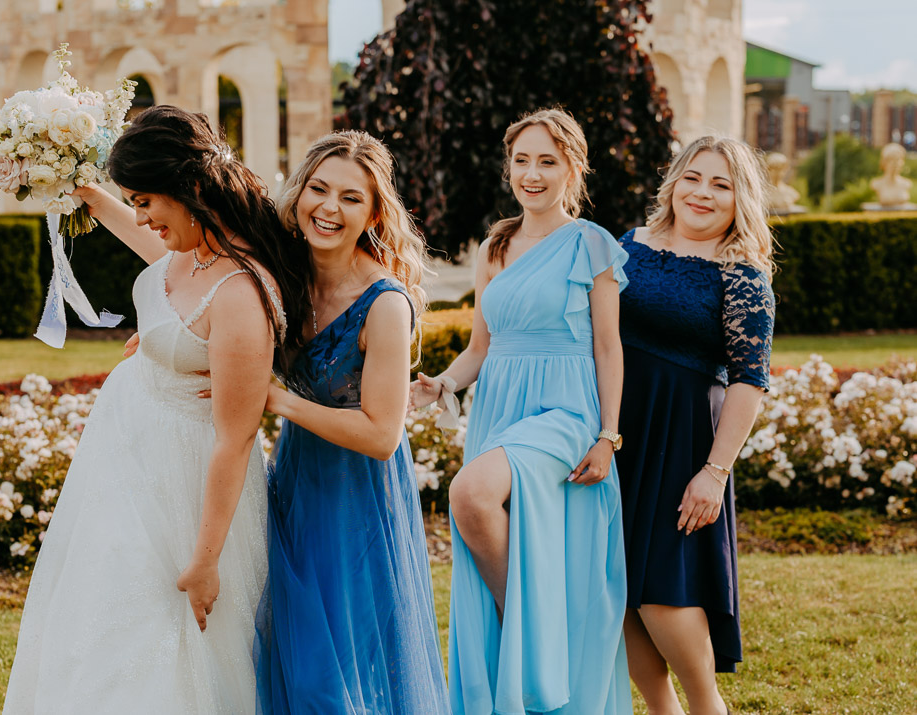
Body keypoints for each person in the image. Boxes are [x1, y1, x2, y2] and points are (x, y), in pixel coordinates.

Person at [2, 105, 308, 714]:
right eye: (133, 202)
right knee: (99, 620)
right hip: (125, 464)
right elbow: (147, 247)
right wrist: (73, 180)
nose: (141, 216)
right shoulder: (190, 249)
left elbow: (235, 439)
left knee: (164, 638)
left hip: (187, 488)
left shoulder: (241, 293)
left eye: (145, 201)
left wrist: (205, 561)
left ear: (189, 189)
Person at [410, 107, 632, 714]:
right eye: (521, 161)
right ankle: (528, 651)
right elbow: (480, 348)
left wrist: (608, 436)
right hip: (500, 407)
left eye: (547, 162)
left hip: (566, 412)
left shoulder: (593, 244)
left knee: (470, 493)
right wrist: (442, 383)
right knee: (502, 520)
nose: (532, 174)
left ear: (572, 169)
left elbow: (608, 347)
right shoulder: (496, 245)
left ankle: (529, 631)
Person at [246, 130, 449, 713]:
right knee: (288, 651)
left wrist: (278, 401)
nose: (329, 208)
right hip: (297, 480)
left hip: (358, 501)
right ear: (299, 192)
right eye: (319, 189)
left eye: (351, 197)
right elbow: (182, 248)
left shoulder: (384, 304)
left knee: (336, 672)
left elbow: (382, 436)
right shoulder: (285, 269)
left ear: (374, 213)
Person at [615, 135, 776, 715]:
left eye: (721, 184)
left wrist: (714, 472)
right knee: (618, 591)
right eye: (693, 177)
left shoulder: (743, 277)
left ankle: (706, 706)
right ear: (673, 181)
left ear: (740, 200)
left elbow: (749, 381)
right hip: (616, 435)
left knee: (665, 594)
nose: (702, 193)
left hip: (682, 444)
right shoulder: (627, 245)